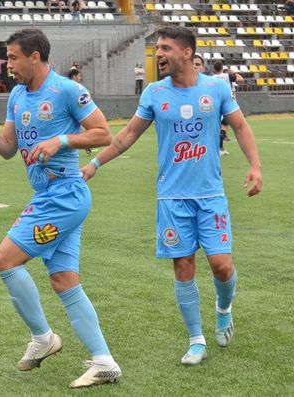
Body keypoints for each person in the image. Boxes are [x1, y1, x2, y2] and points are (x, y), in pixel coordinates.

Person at [81, 26, 262, 367]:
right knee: (183, 265)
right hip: (172, 199)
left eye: (165, 48)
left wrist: (255, 165)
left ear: (187, 54)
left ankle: (224, 308)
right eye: (157, 48)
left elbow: (240, 126)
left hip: (210, 196)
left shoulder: (217, 88)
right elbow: (128, 135)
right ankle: (196, 340)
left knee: (222, 267)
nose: (158, 54)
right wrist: (94, 164)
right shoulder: (153, 93)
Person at [0, 28, 121, 388]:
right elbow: (8, 148)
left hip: (64, 195)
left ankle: (43, 339)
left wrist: (60, 140)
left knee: (4, 259)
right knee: (63, 280)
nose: (8, 64)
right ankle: (105, 361)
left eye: (13, 58)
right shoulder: (17, 95)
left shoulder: (66, 90)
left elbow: (103, 133)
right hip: (48, 197)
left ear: (35, 57)